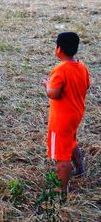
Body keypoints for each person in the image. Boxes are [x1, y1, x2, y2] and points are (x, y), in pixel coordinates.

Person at [43, 32, 90, 195]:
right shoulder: (82, 66)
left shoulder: (60, 69)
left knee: (62, 157)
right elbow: (86, 85)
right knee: (71, 141)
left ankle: (60, 190)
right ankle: (80, 169)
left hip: (61, 120)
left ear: (59, 49)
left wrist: (47, 85)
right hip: (75, 115)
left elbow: (54, 93)